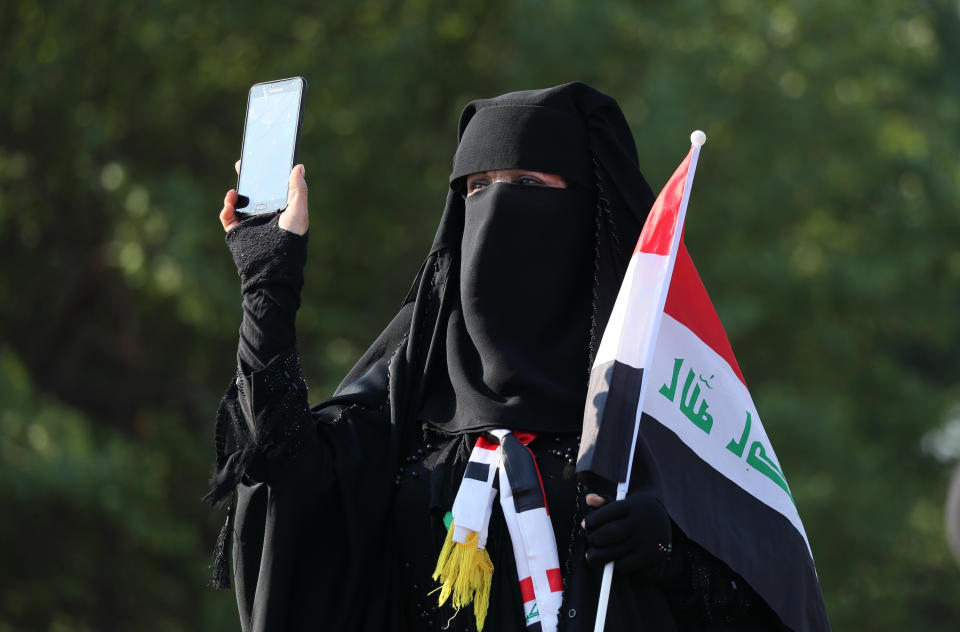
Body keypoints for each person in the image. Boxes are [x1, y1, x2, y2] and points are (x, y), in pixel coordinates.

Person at [205, 82, 787, 631]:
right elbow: (286, 476)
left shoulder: (666, 404)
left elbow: (773, 597)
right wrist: (268, 281)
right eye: (478, 188)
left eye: (528, 184)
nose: (497, 209)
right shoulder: (405, 396)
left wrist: (674, 557)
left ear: (590, 211)